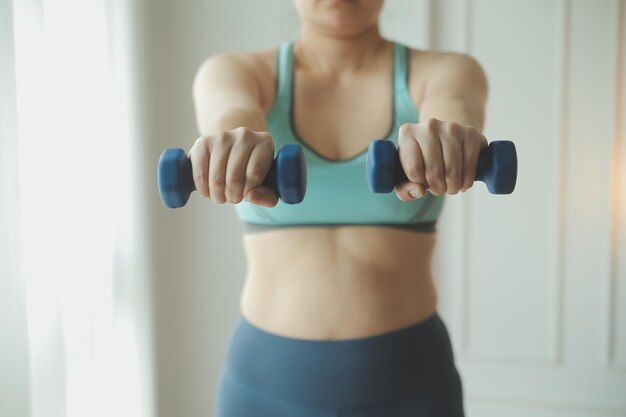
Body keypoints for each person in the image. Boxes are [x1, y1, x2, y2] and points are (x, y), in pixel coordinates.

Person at [190, 1, 487, 416]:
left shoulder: (443, 71)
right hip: (264, 387)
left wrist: (450, 137)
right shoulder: (236, 72)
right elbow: (231, 113)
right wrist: (233, 139)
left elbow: (454, 106)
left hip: (412, 385)